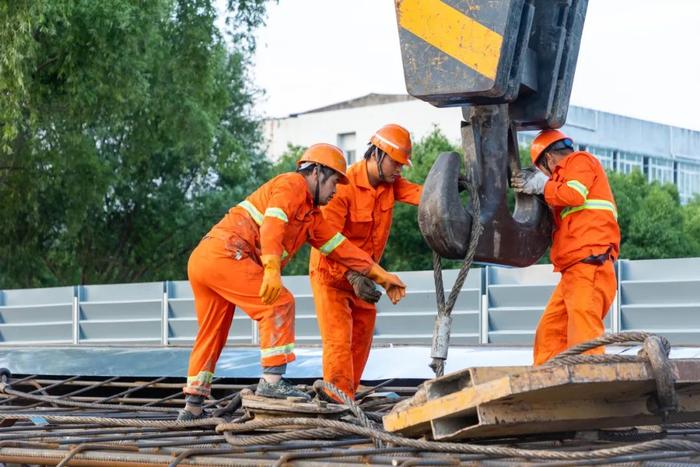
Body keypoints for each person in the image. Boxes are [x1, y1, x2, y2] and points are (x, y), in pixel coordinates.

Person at [179, 143, 407, 420]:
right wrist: (272, 268)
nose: (336, 191)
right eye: (334, 181)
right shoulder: (292, 184)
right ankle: (272, 384)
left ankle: (192, 406)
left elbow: (341, 249)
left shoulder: (312, 217)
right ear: (317, 173)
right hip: (228, 253)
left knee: (212, 333)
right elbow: (273, 222)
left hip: (205, 259)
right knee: (279, 302)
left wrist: (383, 277)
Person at [309, 124, 423, 401]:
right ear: (378, 155)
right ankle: (337, 400)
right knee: (339, 342)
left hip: (365, 275)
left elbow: (422, 195)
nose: (400, 170)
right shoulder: (342, 187)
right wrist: (352, 275)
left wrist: (449, 185)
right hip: (333, 277)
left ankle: (345, 396)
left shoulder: (389, 185)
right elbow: (328, 241)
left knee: (361, 339)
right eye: (396, 163)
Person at [511, 129, 620, 366]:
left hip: (591, 264)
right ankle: (546, 384)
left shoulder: (580, 160)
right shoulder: (559, 183)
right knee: (550, 332)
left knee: (583, 335)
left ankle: (592, 387)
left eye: (541, 170)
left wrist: (542, 184)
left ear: (548, 160)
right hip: (574, 270)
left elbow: (574, 195)